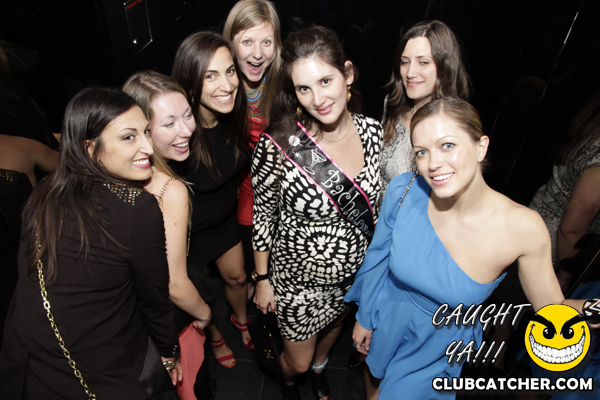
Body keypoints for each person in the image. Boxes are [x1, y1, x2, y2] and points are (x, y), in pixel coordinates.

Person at [345, 97, 594, 399]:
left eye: (447, 145)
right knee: (374, 385)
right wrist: (365, 317)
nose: (433, 164)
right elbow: (377, 259)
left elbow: (552, 309)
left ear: (481, 147)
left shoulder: (523, 228)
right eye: (421, 152)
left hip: (438, 347)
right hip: (389, 317)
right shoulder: (404, 190)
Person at [0, 87, 181, 399]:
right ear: (90, 148)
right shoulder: (137, 207)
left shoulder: (43, 193)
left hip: (26, 358)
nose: (147, 147)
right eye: (129, 137)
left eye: (146, 132)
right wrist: (168, 351)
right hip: (93, 369)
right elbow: (154, 297)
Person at [252, 25, 382, 400]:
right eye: (304, 88)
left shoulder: (374, 134)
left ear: (348, 74)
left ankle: (320, 370)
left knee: (330, 335)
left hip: (348, 281)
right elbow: (263, 215)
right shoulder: (279, 144)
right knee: (298, 363)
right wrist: (262, 279)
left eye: (326, 81)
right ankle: (291, 382)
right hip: (297, 287)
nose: (318, 99)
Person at [123, 70, 213, 400]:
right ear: (142, 130)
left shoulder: (112, 174)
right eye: (169, 123)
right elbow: (173, 283)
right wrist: (205, 313)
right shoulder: (169, 189)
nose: (186, 130)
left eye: (188, 115)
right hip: (165, 319)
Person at [172, 32, 252, 369]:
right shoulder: (179, 136)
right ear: (191, 83)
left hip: (224, 221)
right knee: (201, 294)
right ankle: (214, 335)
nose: (227, 84)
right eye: (211, 76)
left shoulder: (235, 116)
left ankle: (242, 321)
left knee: (238, 278)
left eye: (230, 71)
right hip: (188, 233)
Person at [223, 0, 283, 286]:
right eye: (247, 41)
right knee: (250, 270)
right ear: (231, 43)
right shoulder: (221, 89)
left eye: (266, 42)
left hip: (288, 193)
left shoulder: (285, 84)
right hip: (246, 194)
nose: (258, 54)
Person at [380, 20, 470, 187]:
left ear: (444, 67)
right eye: (405, 62)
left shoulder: (453, 128)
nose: (410, 73)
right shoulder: (392, 104)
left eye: (423, 62)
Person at [530, 91, 600, 289]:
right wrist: (565, 275)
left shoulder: (592, 129)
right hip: (551, 255)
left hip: (535, 231)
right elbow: (572, 226)